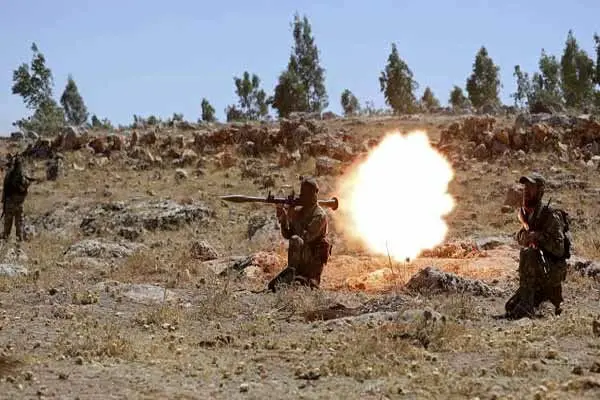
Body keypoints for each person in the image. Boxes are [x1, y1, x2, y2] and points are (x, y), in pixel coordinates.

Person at [505, 172, 570, 319]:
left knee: (528, 253)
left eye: (531, 188)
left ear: (540, 191)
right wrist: (526, 236)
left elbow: (559, 249)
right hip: (537, 271)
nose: (526, 191)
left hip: (552, 271)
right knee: (510, 307)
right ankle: (535, 299)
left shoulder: (551, 215)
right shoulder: (529, 214)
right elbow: (520, 237)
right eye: (525, 188)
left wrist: (539, 237)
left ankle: (530, 305)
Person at [267, 177, 331, 292]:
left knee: (296, 239)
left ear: (315, 194)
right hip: (301, 259)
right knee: (272, 287)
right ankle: (293, 273)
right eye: (302, 194)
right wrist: (284, 217)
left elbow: (305, 237)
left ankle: (301, 277)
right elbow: (288, 234)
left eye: (307, 194)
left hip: (312, 261)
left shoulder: (319, 215)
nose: (303, 197)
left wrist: (292, 215)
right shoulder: (300, 212)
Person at [2, 154, 34, 242]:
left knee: (7, 223)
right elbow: (26, 184)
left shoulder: (9, 174)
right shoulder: (23, 174)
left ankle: (5, 240)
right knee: (19, 223)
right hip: (19, 203)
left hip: (9, 202)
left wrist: (3, 202)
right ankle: (19, 242)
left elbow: (5, 190)